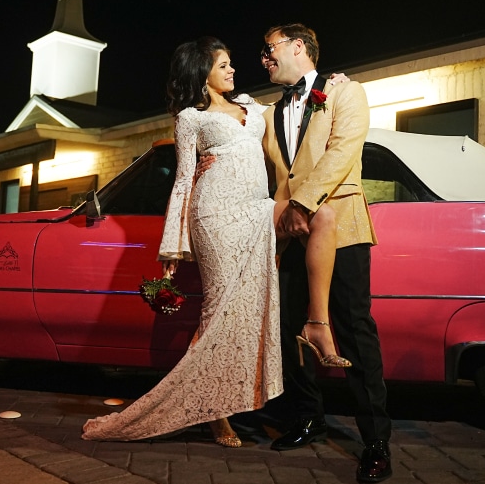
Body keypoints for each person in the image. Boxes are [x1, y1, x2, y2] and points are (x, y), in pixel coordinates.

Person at [81, 36, 349, 448]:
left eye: (229, 64)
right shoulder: (189, 117)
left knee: (323, 216)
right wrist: (173, 243)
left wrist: (331, 87)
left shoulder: (249, 104)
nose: (232, 70)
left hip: (258, 208)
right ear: (201, 71)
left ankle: (316, 324)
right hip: (216, 217)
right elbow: (185, 178)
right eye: (223, 65)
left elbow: (297, 107)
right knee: (220, 312)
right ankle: (214, 412)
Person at [260, 24, 392, 483]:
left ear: (298, 47)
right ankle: (308, 417)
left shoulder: (345, 92)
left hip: (343, 228)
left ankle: (375, 440)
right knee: (291, 327)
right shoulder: (268, 113)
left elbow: (341, 153)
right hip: (292, 234)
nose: (264, 57)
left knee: (355, 330)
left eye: (270, 48)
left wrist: (302, 203)